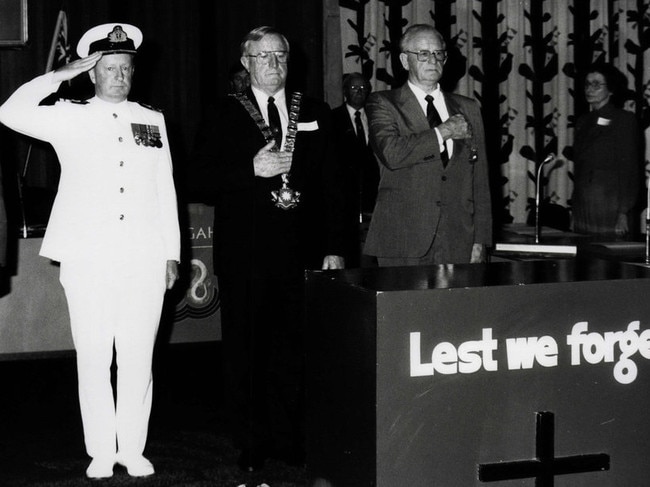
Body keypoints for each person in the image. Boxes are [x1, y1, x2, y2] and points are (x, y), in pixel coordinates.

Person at [0, 23, 180, 479]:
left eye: (125, 68)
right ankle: (101, 450)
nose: (119, 76)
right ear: (92, 73)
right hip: (89, 256)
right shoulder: (67, 113)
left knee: (139, 357)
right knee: (95, 356)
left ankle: (132, 449)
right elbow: (9, 111)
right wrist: (59, 75)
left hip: (143, 256)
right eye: (108, 68)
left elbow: (165, 189)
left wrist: (171, 253)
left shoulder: (151, 118)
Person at [190, 26, 345, 473]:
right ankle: (252, 440)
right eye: (263, 57)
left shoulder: (314, 110)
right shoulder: (222, 113)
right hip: (248, 254)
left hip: (305, 253)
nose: (274, 65)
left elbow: (335, 185)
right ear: (246, 62)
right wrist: (249, 169)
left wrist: (335, 247)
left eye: (280, 56)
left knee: (296, 349)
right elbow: (199, 179)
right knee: (248, 350)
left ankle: (291, 436)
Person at [363, 24, 492, 266]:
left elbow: (480, 180)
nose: (432, 60)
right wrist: (442, 132)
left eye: (438, 53)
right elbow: (392, 153)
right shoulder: (382, 103)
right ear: (404, 60)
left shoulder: (468, 108)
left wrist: (480, 240)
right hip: (402, 240)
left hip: (458, 240)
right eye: (423, 53)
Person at [572, 63, 641, 236]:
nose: (590, 89)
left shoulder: (623, 120)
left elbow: (629, 169)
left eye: (596, 85)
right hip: (584, 204)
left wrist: (623, 212)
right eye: (587, 84)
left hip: (611, 205)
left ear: (611, 89)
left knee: (608, 259)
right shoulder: (583, 121)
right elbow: (580, 168)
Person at [332, 72, 379, 267]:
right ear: (345, 92)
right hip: (344, 201)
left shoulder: (378, 119)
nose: (359, 92)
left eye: (363, 88)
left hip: (371, 202)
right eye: (354, 88)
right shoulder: (333, 118)